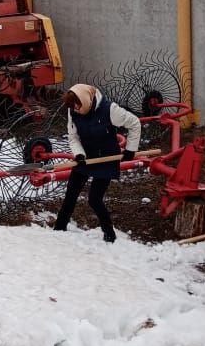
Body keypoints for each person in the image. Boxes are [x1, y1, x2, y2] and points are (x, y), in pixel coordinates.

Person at [52, 83, 141, 243]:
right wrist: (79, 154)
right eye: (73, 108)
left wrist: (130, 149)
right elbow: (73, 137)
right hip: (85, 157)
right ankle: (59, 229)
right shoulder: (73, 110)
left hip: (106, 158)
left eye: (78, 107)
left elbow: (134, 123)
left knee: (94, 199)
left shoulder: (110, 110)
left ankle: (109, 234)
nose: (75, 110)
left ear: (86, 100)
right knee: (70, 195)